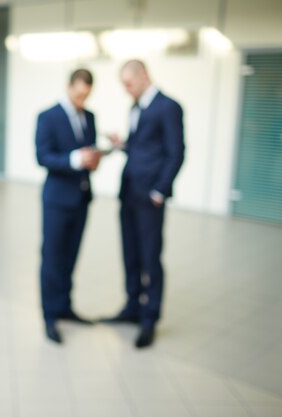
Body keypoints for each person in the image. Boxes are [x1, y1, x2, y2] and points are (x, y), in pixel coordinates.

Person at [105, 60, 185, 348]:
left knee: (150, 257)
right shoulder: (136, 107)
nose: (126, 90)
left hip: (150, 197)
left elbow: (176, 153)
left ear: (143, 76)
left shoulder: (168, 106)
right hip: (129, 193)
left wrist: (159, 191)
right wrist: (122, 144)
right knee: (130, 254)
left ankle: (149, 318)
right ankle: (131, 308)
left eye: (128, 83)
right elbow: (143, 147)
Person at [35, 69, 102, 344]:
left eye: (86, 95)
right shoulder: (47, 116)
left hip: (81, 198)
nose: (81, 99)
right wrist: (75, 159)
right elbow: (43, 156)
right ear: (68, 87)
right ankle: (50, 316)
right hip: (57, 200)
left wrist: (95, 159)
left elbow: (89, 153)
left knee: (71, 257)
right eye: (77, 93)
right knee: (52, 258)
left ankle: (65, 306)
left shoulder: (90, 117)